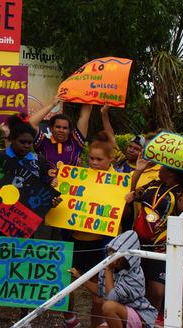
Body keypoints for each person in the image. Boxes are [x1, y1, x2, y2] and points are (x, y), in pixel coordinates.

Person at [126, 155, 183, 324]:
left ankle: (150, 321)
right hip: (140, 241)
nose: (159, 169)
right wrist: (138, 171)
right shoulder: (153, 185)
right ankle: (136, 320)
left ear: (171, 173)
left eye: (162, 168)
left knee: (157, 290)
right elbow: (132, 193)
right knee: (138, 284)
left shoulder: (180, 190)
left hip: (161, 246)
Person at [64, 131, 117, 328]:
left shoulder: (118, 180)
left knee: (98, 292)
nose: (93, 162)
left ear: (110, 159)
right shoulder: (81, 175)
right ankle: (68, 319)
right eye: (91, 158)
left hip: (100, 243)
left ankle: (96, 324)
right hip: (76, 239)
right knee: (68, 284)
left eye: (99, 159)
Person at [70, 230, 157, 328]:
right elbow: (100, 291)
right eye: (111, 255)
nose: (114, 260)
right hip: (121, 314)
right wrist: (79, 277)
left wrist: (108, 269)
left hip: (139, 315)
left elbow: (110, 298)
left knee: (108, 306)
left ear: (128, 258)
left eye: (118, 257)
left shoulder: (135, 276)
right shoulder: (111, 268)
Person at [28, 96, 97, 168]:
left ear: (69, 130)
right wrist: (52, 105)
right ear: (51, 128)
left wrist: (88, 93)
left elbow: (85, 116)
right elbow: (31, 123)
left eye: (65, 128)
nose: (61, 130)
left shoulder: (76, 141)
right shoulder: (43, 142)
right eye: (58, 127)